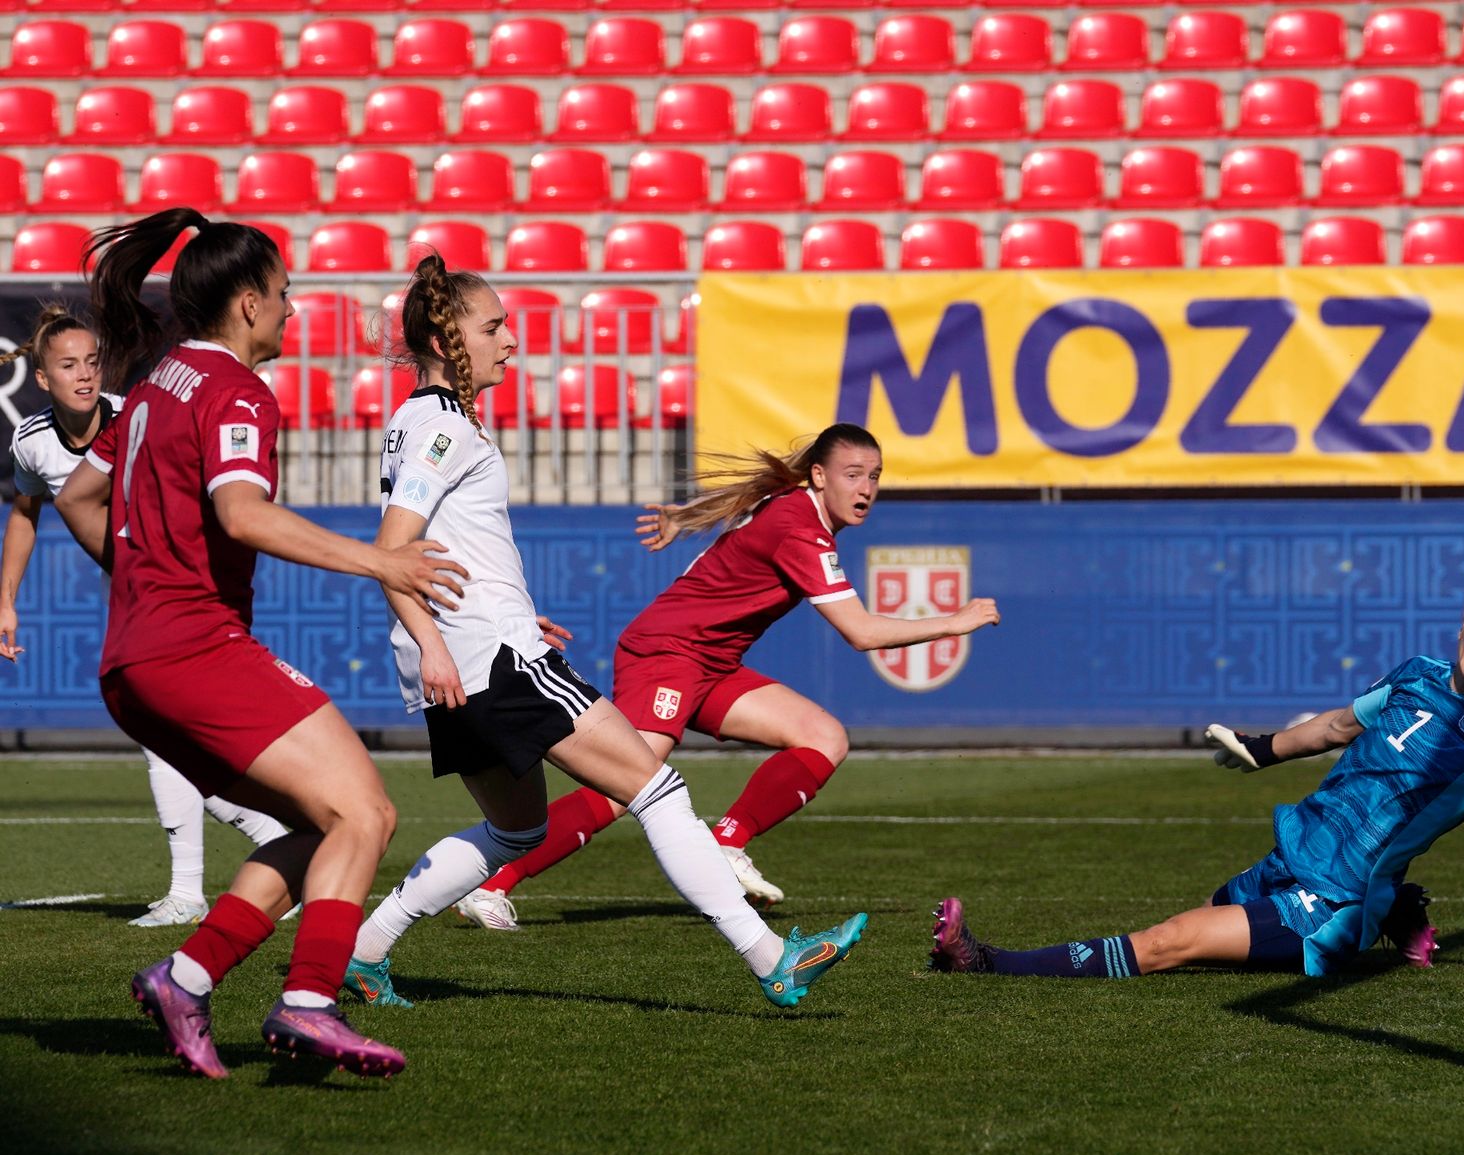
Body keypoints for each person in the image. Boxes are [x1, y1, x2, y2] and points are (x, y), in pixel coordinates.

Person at [338, 257, 867, 1011]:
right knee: (657, 788)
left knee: (517, 831)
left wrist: (504, 610)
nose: (510, 341)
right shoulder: (444, 428)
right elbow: (392, 550)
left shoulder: (414, 420)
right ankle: (772, 957)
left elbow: (442, 545)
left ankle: (364, 949)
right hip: (486, 659)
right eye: (493, 327)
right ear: (445, 334)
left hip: (471, 654)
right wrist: (438, 640)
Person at [56, 208, 468, 1079]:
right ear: (246, 304)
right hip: (191, 645)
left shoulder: (158, 380)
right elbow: (242, 514)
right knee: (367, 812)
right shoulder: (236, 391)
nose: (292, 310)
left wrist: (140, 574)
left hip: (130, 660)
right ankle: (311, 1003)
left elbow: (80, 500)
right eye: (284, 295)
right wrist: (379, 559)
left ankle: (186, 975)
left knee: (318, 828)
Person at [439, 420, 1001, 931]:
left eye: (874, 476)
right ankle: (491, 885)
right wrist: (955, 621)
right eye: (853, 475)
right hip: (666, 654)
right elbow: (859, 632)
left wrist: (683, 517)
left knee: (824, 736)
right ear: (818, 476)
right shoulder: (800, 526)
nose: (866, 489)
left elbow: (743, 509)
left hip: (708, 664)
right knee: (626, 785)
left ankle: (726, 843)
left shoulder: (796, 509)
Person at [930, 583, 1464, 981]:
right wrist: (1260, 750)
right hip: (1295, 847)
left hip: (1330, 899)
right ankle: (1403, 904)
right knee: (1205, 915)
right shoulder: (1417, 674)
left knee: (1171, 940)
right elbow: (1335, 726)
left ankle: (986, 960)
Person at [0, 305, 293, 926]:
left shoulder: (138, 408)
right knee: (176, 738)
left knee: (171, 735)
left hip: (180, 591)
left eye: (91, 362)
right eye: (67, 366)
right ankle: (276, 845)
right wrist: (6, 598)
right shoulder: (30, 440)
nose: (83, 375)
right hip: (134, 595)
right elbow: (26, 513)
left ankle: (201, 886)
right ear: (43, 380)